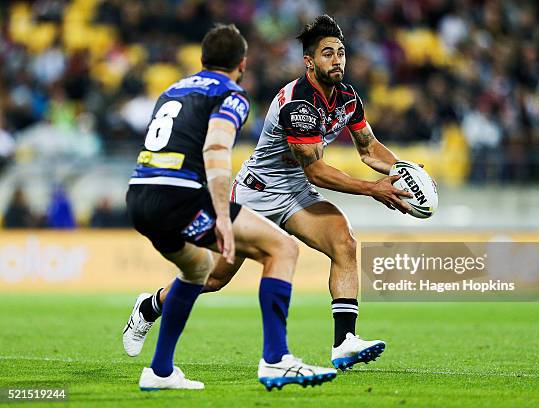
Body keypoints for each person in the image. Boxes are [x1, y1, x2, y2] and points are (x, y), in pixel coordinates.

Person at [124, 15, 414, 372]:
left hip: (295, 193)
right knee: (214, 278)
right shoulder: (298, 103)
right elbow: (317, 171)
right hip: (257, 193)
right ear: (310, 61)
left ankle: (344, 342)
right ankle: (149, 307)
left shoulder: (348, 98)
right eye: (327, 54)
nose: (337, 60)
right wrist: (372, 188)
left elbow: (369, 148)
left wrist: (405, 171)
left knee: (345, 242)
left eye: (341, 52)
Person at [124, 23, 336, 391]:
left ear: (202, 60)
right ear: (242, 63)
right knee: (282, 248)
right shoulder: (232, 95)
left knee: (198, 270)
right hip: (180, 196)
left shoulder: (173, 89)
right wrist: (222, 216)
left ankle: (159, 370)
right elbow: (217, 150)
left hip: (140, 194)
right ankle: (276, 360)